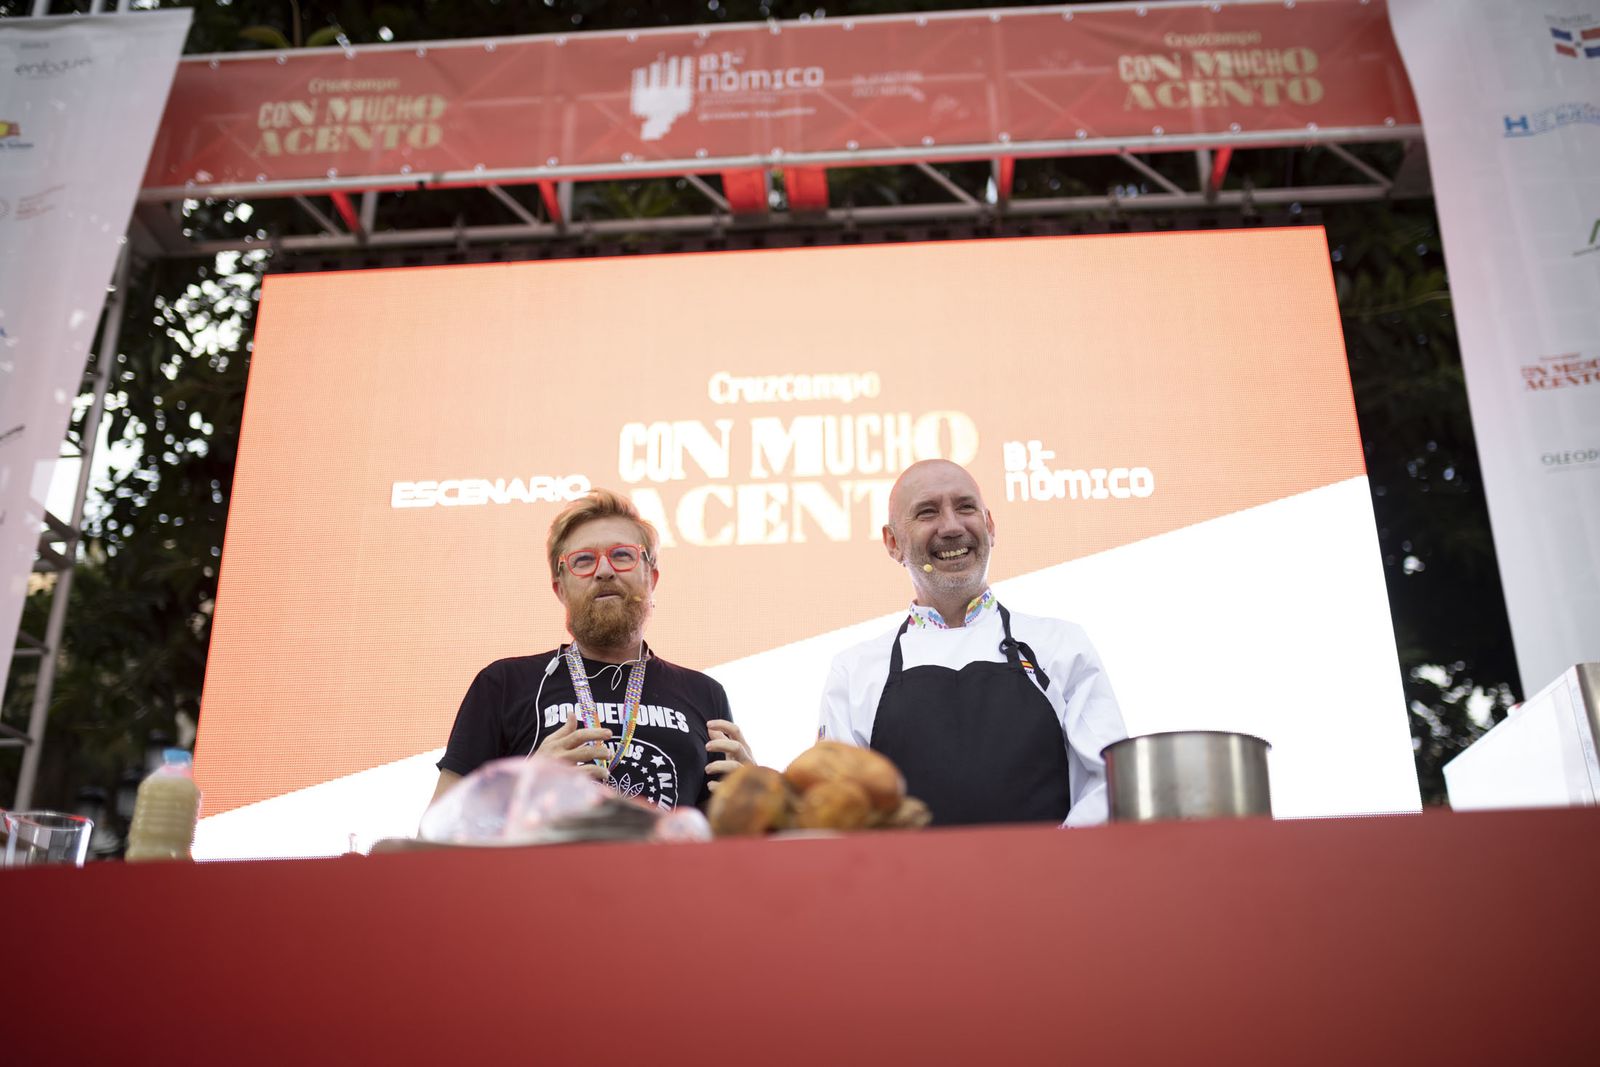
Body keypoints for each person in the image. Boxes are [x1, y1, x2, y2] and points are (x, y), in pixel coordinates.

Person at [819, 459, 1126, 827]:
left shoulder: (1062, 645)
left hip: (1046, 880)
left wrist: (1048, 869)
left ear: (990, 526)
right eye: (927, 512)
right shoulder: (853, 671)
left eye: (965, 507)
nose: (951, 527)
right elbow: (837, 816)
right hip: (906, 884)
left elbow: (1108, 784)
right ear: (893, 543)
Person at [432, 489, 753, 810]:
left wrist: (758, 797)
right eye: (583, 560)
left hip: (668, 862)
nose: (604, 570)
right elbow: (437, 834)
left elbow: (727, 844)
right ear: (560, 589)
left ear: (651, 578)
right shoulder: (504, 683)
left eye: (622, 555)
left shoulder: (704, 694)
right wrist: (521, 784)